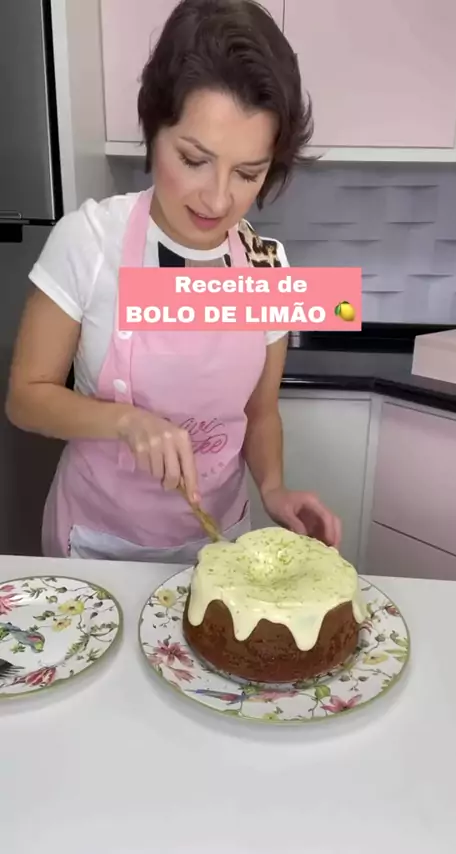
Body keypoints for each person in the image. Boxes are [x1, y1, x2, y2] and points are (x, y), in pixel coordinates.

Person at [6, 0, 342, 563]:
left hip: (218, 544)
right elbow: (26, 398)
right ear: (154, 129)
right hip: (100, 544)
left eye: (248, 173)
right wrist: (124, 421)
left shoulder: (266, 265)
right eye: (193, 159)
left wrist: (274, 488)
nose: (217, 199)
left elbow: (260, 413)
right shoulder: (89, 241)